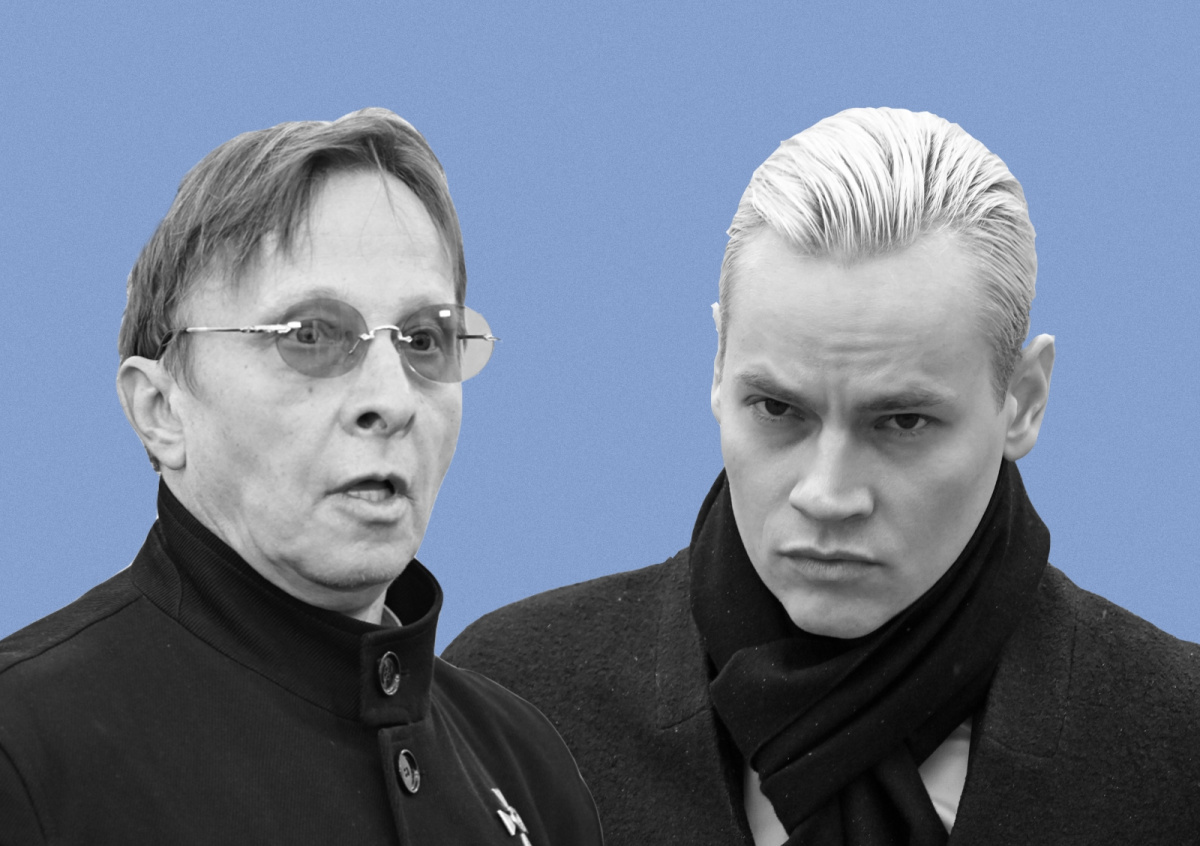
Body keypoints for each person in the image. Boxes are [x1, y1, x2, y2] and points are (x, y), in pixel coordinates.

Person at [443, 108, 1200, 845]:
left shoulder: (1178, 746)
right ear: (718, 368)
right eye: (778, 409)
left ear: (1024, 402)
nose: (828, 495)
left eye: (903, 422)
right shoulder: (507, 703)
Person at [0, 108, 603, 846]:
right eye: (310, 335)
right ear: (161, 409)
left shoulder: (527, 767)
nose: (391, 399)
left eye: (423, 339)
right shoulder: (28, 750)